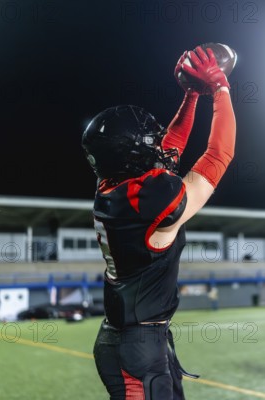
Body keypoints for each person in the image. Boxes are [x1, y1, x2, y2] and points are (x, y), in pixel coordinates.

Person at [83, 46, 236, 400]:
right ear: (132, 156)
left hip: (137, 337)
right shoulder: (148, 200)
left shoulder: (114, 185)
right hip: (135, 348)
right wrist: (219, 88)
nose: (159, 144)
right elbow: (218, 154)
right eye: (148, 142)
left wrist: (191, 95)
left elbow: (171, 145)